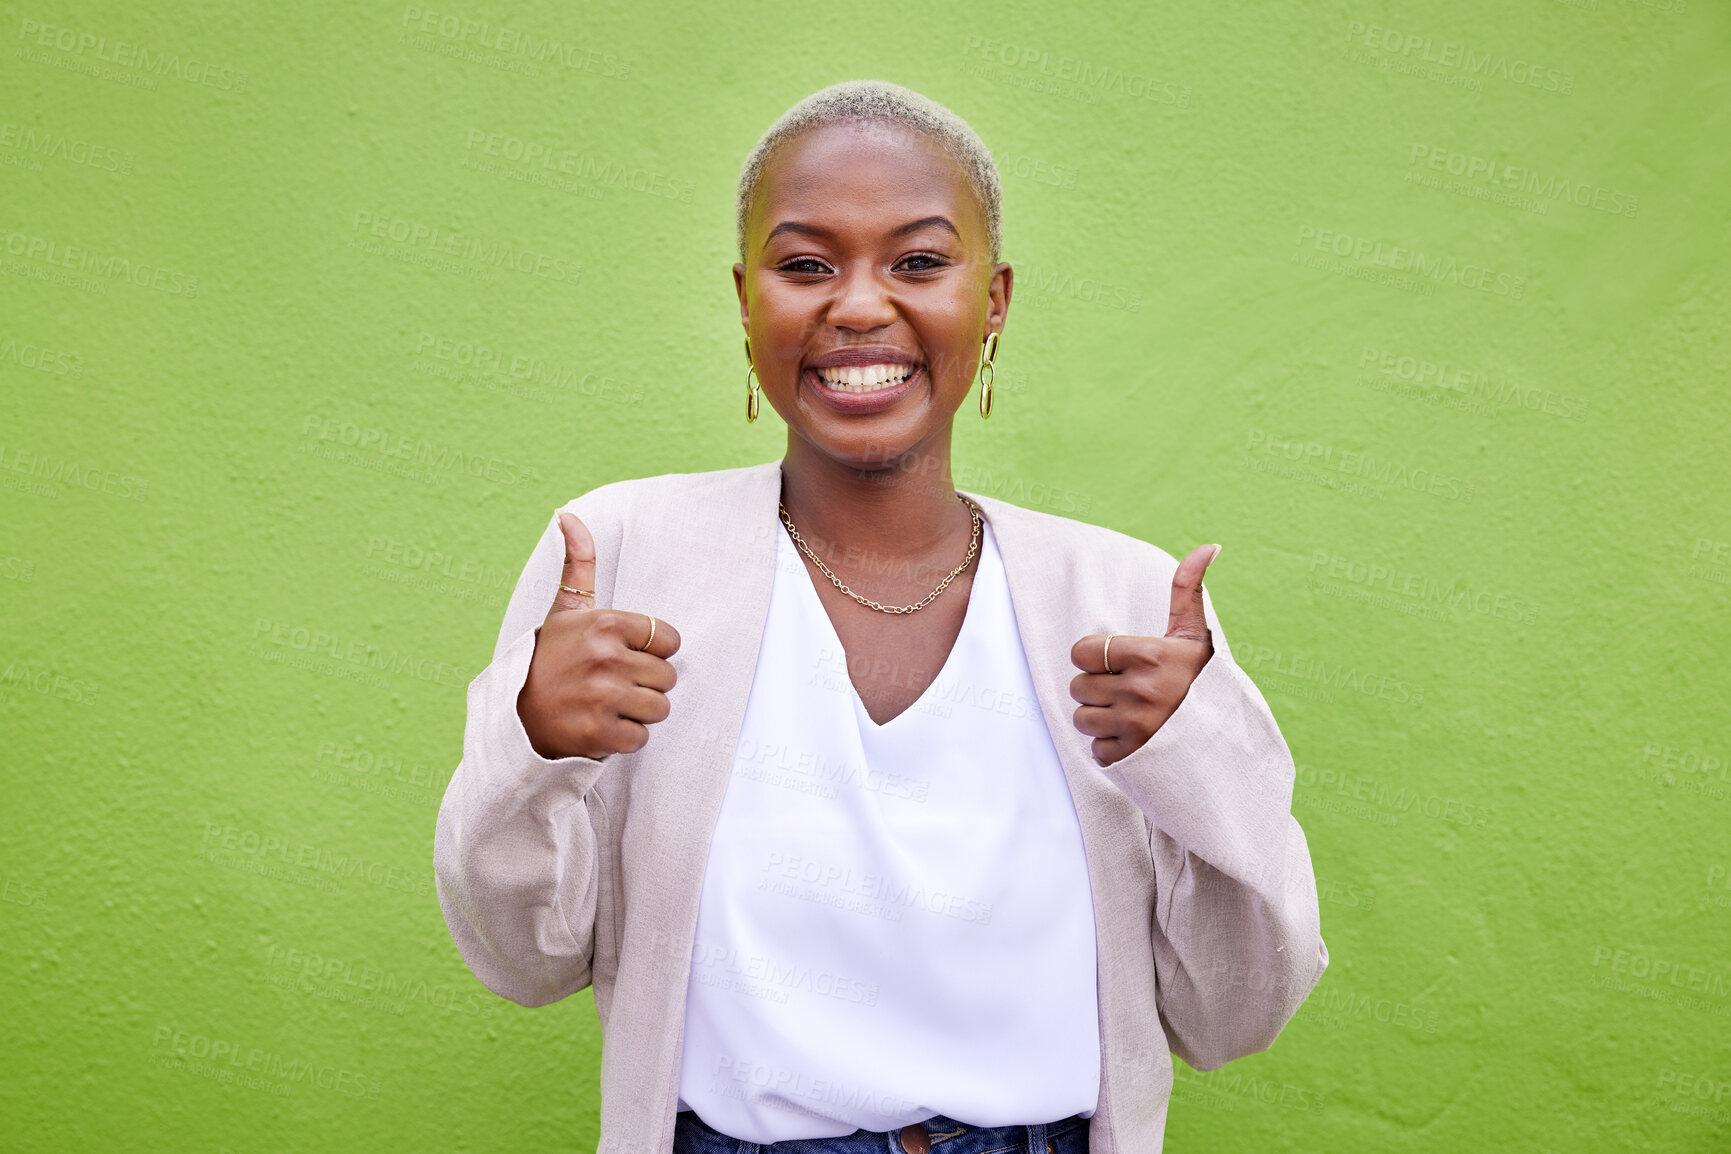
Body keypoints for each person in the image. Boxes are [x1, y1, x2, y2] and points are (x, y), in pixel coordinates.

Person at [434, 80, 1327, 1154]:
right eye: (805, 264)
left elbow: (1235, 1014)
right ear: (745, 299)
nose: (858, 304)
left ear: (992, 302)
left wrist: (1199, 764)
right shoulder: (622, 560)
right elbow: (521, 960)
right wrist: (536, 745)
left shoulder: (1125, 603)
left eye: (917, 261)